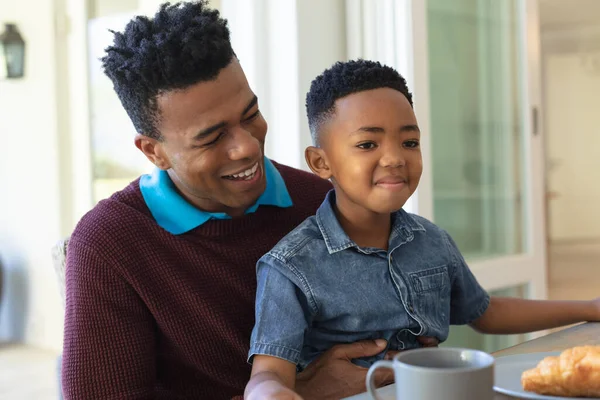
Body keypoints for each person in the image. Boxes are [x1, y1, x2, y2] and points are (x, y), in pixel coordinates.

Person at [61, 2, 440, 399]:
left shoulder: (325, 201)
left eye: (251, 113)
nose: (246, 146)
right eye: (212, 137)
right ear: (153, 151)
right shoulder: (110, 245)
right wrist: (304, 392)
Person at [244, 59, 600, 400]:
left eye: (409, 142)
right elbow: (270, 372)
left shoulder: (432, 240)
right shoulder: (289, 267)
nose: (396, 158)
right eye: (368, 144)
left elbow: (485, 312)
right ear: (321, 162)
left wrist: (590, 307)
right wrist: (268, 391)